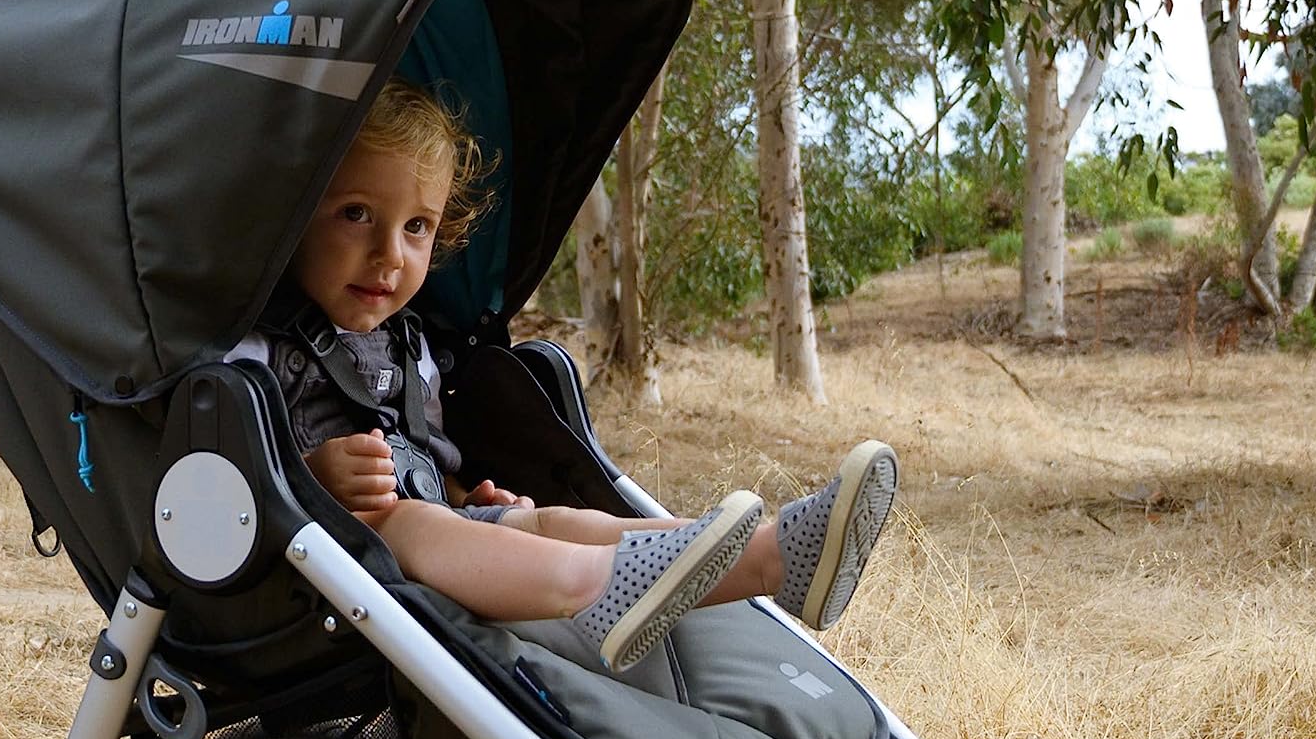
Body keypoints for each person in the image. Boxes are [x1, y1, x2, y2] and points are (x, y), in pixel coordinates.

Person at [230, 78, 899, 672]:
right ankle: (599, 589)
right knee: (406, 524)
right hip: (322, 574)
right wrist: (312, 475)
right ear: (297, 212)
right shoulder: (253, 353)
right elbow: (223, 481)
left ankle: (772, 558)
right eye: (356, 215)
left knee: (545, 520)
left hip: (427, 545)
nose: (389, 255)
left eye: (417, 227)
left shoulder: (413, 349)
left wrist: (464, 496)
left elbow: (422, 456)